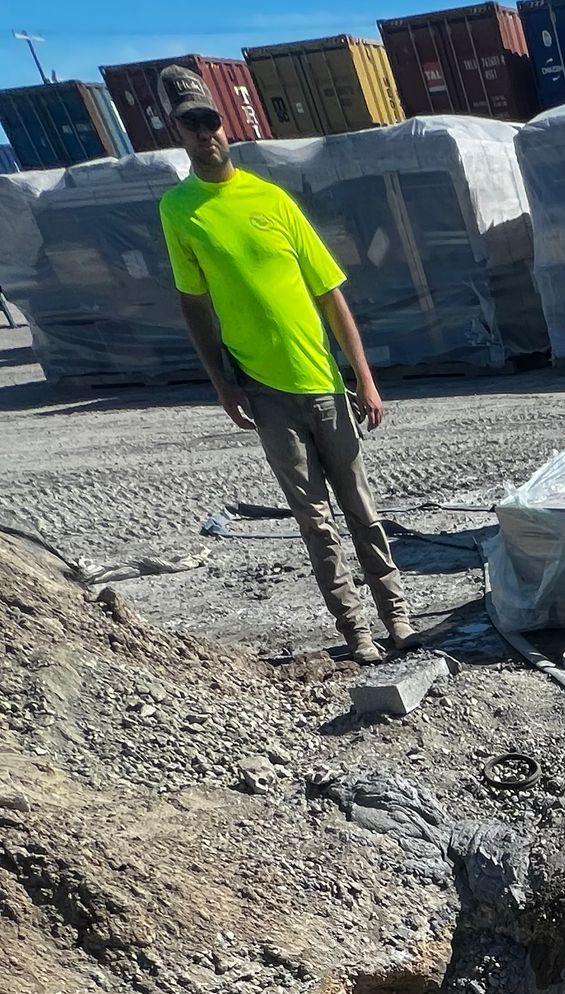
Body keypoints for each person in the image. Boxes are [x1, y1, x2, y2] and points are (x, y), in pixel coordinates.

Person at [156, 63, 411, 665]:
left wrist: (365, 380)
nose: (204, 134)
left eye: (209, 121)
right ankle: (357, 634)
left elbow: (331, 295)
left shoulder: (271, 199)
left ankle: (398, 618)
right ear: (179, 133)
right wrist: (223, 384)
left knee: (363, 513)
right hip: (266, 392)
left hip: (324, 384)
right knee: (315, 522)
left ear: (225, 126)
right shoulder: (180, 210)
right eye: (190, 125)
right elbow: (194, 306)